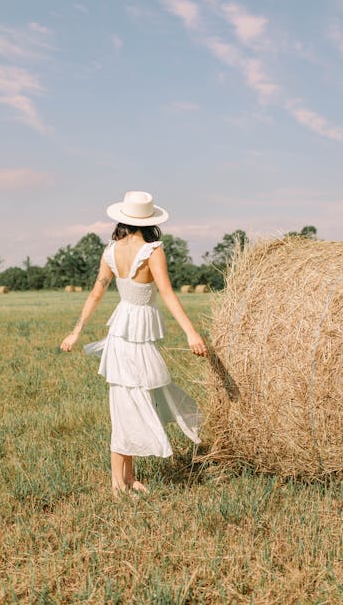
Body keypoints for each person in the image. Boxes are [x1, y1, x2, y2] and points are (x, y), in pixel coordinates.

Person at [60, 191, 208, 496]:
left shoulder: (110, 251)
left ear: (122, 219)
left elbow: (95, 294)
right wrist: (191, 332)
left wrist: (76, 331)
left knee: (128, 404)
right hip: (135, 333)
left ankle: (128, 478)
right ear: (150, 221)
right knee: (130, 405)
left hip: (122, 333)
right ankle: (118, 483)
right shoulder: (153, 250)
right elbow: (167, 294)